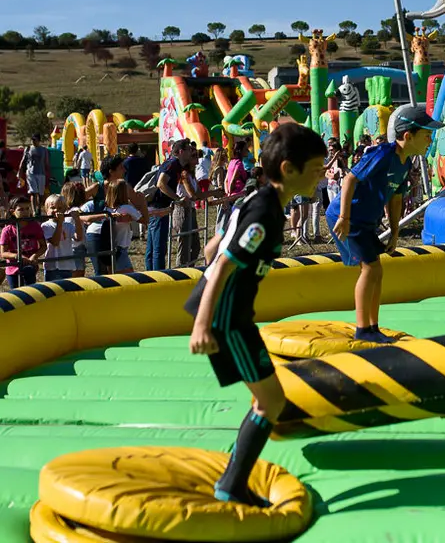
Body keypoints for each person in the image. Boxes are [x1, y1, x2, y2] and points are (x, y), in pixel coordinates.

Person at [187, 123, 327, 506]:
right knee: (270, 402)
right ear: (288, 169)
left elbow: (212, 246)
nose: (323, 173)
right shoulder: (266, 214)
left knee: (266, 399)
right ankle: (231, 486)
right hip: (226, 319)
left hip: (229, 314)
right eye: (316, 167)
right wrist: (203, 323)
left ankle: (233, 475)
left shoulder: (259, 199)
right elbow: (220, 265)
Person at [328, 105, 443, 343]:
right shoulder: (383, 154)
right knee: (371, 269)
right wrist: (344, 217)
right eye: (427, 135)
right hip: (350, 216)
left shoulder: (404, 163)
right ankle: (363, 329)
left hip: (366, 219)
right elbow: (349, 180)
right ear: (408, 136)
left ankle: (372, 327)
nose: (430, 140)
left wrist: (394, 232)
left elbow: (396, 198)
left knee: (376, 271)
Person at [146, 139, 197, 271]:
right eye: (189, 150)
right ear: (181, 152)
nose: (191, 153)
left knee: (152, 248)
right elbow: (161, 183)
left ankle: (151, 274)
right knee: (158, 248)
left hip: (157, 207)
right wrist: (177, 198)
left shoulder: (174, 164)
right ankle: (158, 277)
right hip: (159, 207)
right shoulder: (173, 163)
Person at [0, 196, 45, 287]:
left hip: (30, 265)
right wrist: (18, 256)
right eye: (21, 209)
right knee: (16, 295)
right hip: (13, 269)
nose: (25, 212)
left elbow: (43, 246)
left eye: (27, 209)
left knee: (29, 293)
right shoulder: (7, 230)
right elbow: (3, 253)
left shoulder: (35, 226)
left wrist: (34, 256)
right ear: (13, 212)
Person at [41, 194, 82, 282]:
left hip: (67, 266)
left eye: (60, 208)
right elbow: (55, 242)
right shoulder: (46, 226)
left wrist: (77, 220)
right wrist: (59, 224)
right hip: (52, 267)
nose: (56, 210)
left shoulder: (68, 225)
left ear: (64, 210)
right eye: (52, 208)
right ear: (46, 209)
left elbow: (78, 238)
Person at [103, 179, 141, 273]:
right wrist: (142, 201)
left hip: (111, 246)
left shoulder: (106, 209)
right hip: (121, 247)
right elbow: (143, 219)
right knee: (129, 275)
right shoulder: (127, 208)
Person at [17, 134, 50, 216]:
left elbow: (46, 163)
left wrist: (49, 174)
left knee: (41, 194)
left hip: (41, 173)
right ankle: (34, 210)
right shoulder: (28, 149)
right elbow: (23, 161)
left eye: (35, 139)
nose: (33, 141)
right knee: (33, 192)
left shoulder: (44, 150)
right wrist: (20, 172)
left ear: (39, 140)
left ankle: (39, 208)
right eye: (32, 140)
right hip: (31, 173)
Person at [62, 182, 88, 277]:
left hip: (76, 246)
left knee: (77, 275)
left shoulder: (76, 210)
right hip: (72, 246)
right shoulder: (68, 211)